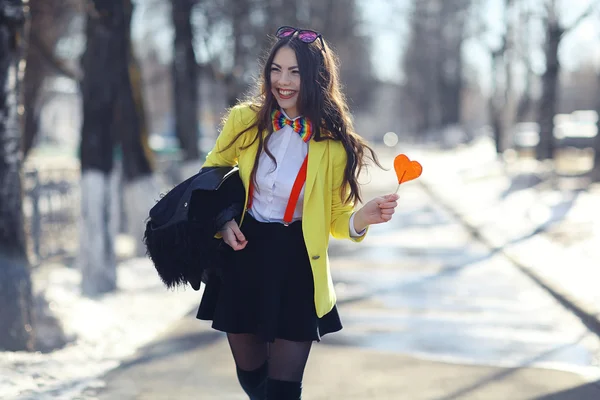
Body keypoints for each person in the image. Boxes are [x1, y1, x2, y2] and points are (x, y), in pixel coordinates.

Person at [196, 25, 399, 400]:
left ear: (316, 78)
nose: (283, 82)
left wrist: (362, 218)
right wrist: (222, 221)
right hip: (243, 250)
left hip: (297, 260)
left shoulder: (334, 145)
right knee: (252, 375)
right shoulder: (245, 120)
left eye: (295, 72)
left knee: (284, 389)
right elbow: (212, 171)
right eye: (276, 69)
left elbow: (338, 218)